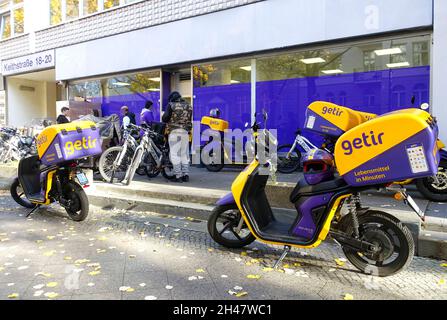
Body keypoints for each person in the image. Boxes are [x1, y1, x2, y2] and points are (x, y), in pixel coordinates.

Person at [162, 91, 192, 183]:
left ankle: (178, 175)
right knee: (184, 154)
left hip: (174, 132)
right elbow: (189, 119)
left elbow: (165, 118)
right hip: (185, 132)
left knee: (175, 154)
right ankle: (185, 175)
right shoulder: (188, 105)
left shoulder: (171, 105)